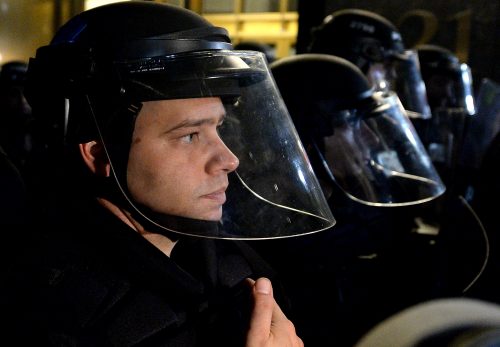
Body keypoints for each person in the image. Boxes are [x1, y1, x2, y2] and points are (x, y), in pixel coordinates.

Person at [1, 2, 336, 346]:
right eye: (189, 135)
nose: (228, 159)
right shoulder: (56, 316)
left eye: (218, 128)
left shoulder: (222, 261)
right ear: (100, 154)